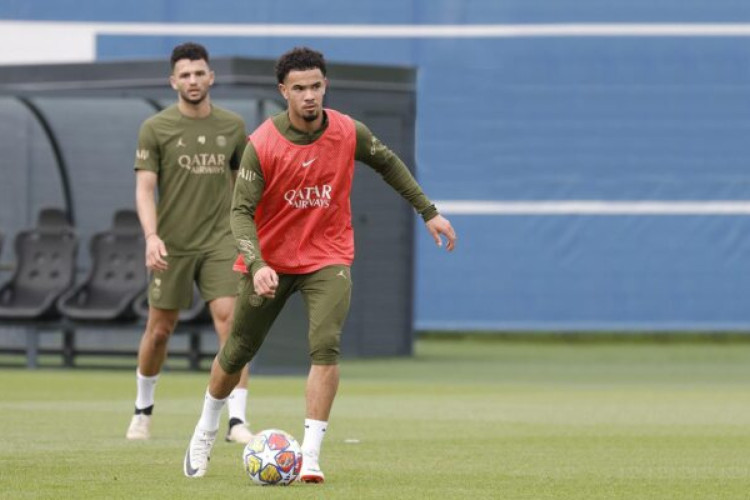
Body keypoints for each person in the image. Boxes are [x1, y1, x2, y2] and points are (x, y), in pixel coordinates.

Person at [183, 46, 456, 481]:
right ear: (283, 92)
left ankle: (310, 456)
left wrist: (429, 211)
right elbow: (240, 213)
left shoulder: (349, 132)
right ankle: (205, 429)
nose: (309, 96)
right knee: (235, 353)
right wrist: (256, 266)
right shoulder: (263, 144)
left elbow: (388, 164)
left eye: (316, 86)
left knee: (325, 346)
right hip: (269, 262)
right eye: (299, 88)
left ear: (325, 85)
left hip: (328, 256)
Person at [126, 42, 253, 444]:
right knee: (160, 331)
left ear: (211, 77)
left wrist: (248, 234)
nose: (193, 80)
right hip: (173, 245)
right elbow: (145, 190)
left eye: (199, 73)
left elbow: (245, 185)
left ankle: (236, 421)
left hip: (221, 241)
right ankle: (142, 411)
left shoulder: (232, 126)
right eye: (185, 75)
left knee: (232, 323)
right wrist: (151, 237)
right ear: (173, 81)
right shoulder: (156, 127)